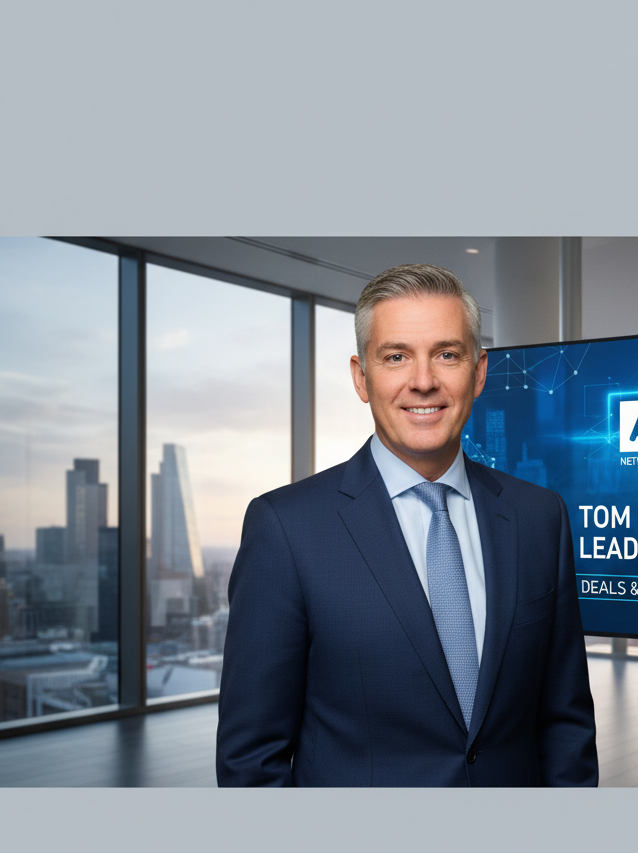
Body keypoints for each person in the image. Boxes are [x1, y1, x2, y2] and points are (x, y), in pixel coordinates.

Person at [216, 263, 598, 786]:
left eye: (447, 355)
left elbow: (565, 723)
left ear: (479, 373)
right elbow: (252, 761)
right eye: (396, 357)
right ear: (361, 377)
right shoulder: (285, 529)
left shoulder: (540, 517)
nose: (423, 382)